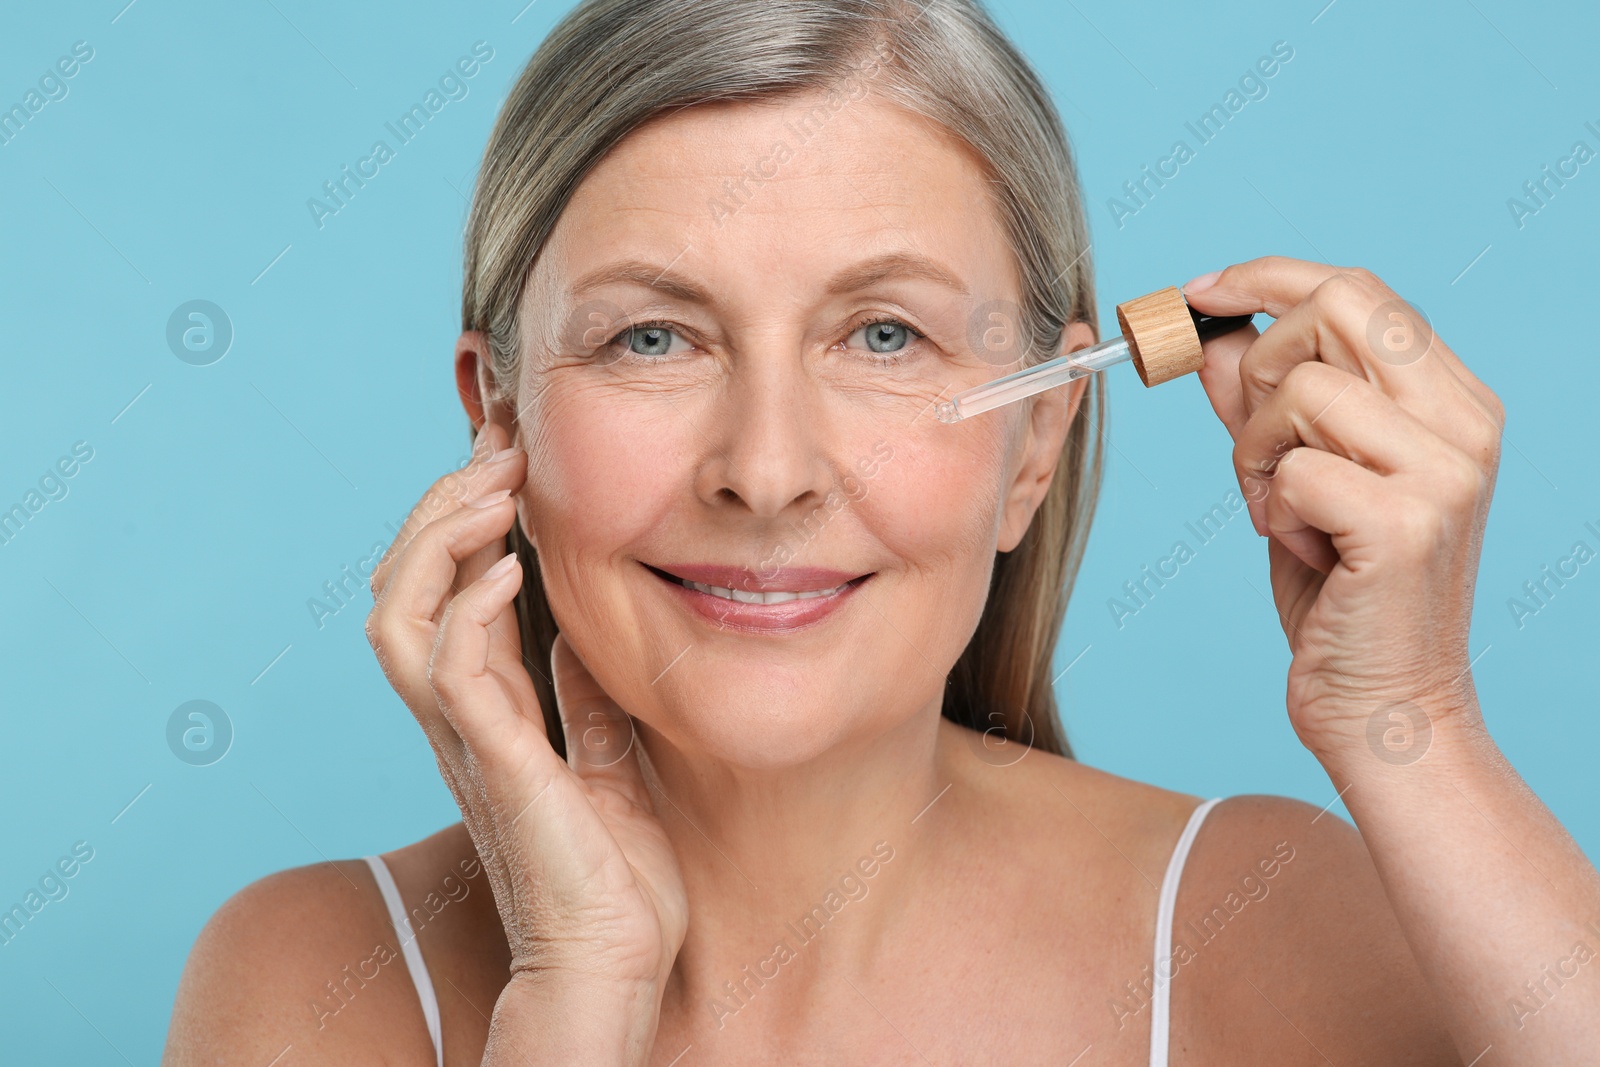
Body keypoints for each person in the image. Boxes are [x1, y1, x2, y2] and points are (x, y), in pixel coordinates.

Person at [163, 0, 1600, 1063]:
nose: (769, 470)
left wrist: (1415, 717)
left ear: (1036, 441)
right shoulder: (314, 981)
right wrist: (576, 998)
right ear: (500, 424)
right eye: (655, 337)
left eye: (887, 334)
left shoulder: (1266, 925)